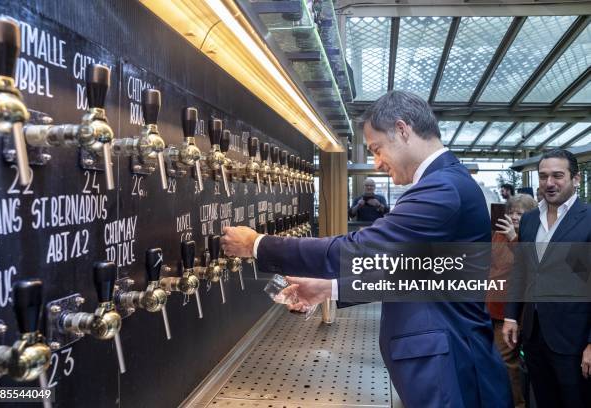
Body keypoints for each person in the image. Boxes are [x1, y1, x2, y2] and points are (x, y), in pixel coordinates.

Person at [222, 91, 512, 407]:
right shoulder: (445, 182)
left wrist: (257, 244)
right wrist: (329, 289)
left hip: (452, 370)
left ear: (403, 130)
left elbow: (358, 249)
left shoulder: (442, 188)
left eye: (376, 149)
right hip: (447, 366)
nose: (375, 163)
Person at [503, 149, 591, 408]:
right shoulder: (530, 220)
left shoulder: (588, 221)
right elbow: (522, 269)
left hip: (573, 339)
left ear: (575, 179)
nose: (549, 183)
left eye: (557, 176)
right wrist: (511, 315)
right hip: (534, 335)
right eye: (543, 176)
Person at [489, 194, 538, 408]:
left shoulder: (533, 236)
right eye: (511, 212)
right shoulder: (498, 234)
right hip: (491, 307)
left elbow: (531, 268)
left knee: (507, 362)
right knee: (498, 362)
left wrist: (513, 238)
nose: (514, 217)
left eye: (520, 213)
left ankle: (517, 403)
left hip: (513, 312)